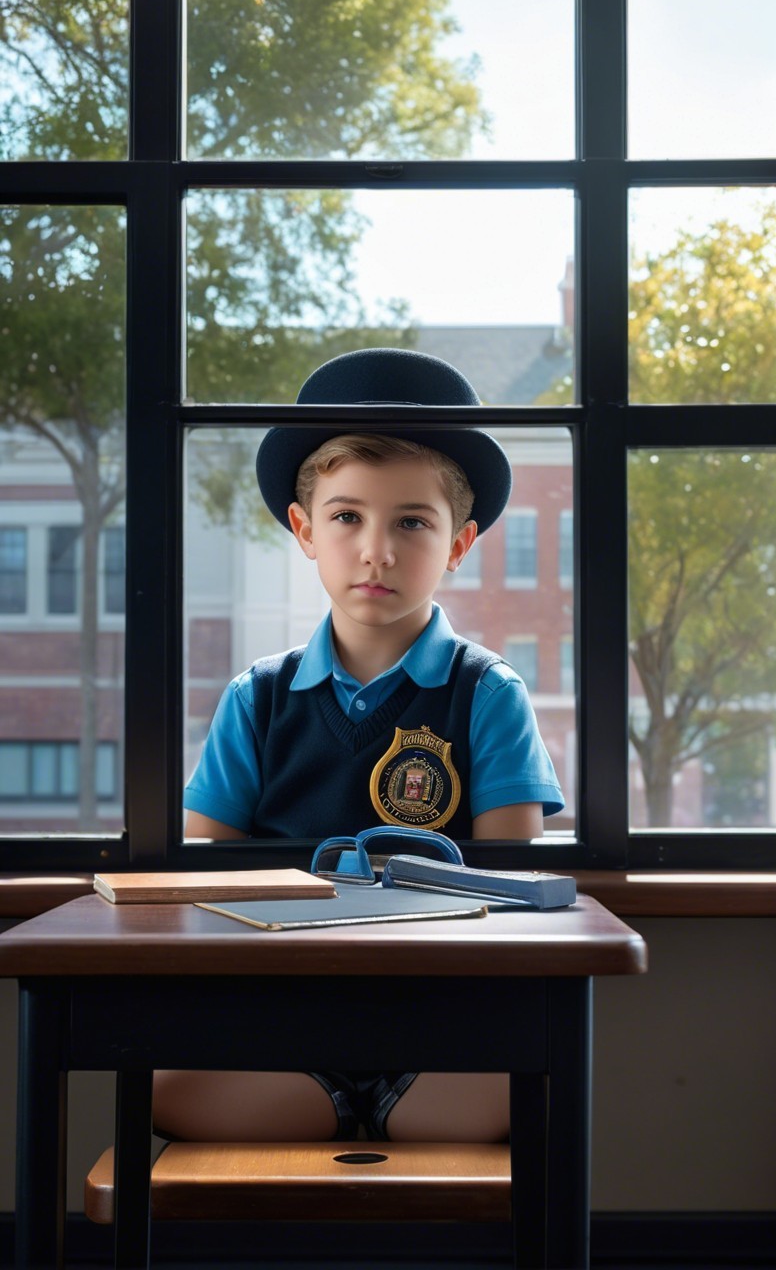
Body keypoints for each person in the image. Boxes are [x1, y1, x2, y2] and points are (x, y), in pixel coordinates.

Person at [155, 348, 564, 1144]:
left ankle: (377, 1113)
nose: (376, 550)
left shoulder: (488, 694)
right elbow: (201, 885)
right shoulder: (257, 699)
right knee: (167, 1093)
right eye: (347, 517)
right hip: (283, 1026)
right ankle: (350, 1112)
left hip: (442, 1028)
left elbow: (514, 895)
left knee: (532, 1093)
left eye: (412, 522)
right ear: (305, 530)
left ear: (459, 544)